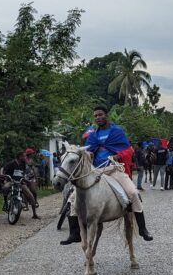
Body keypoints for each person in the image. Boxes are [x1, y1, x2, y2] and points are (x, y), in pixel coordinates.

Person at [61, 105, 153, 245]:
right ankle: (74, 233)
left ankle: (143, 229)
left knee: (133, 193)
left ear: (106, 115)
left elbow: (129, 150)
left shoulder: (117, 131)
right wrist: (89, 155)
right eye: (96, 116)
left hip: (114, 169)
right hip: (97, 171)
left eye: (100, 115)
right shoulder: (93, 136)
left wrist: (119, 155)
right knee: (72, 198)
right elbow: (87, 154)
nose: (98, 117)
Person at [2, 152, 40, 219]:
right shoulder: (12, 163)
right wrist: (4, 177)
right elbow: (3, 170)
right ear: (20, 157)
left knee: (31, 197)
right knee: (5, 187)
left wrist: (27, 180)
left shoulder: (23, 164)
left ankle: (34, 214)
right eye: (24, 156)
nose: (25, 157)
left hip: (20, 182)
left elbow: (23, 174)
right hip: (11, 181)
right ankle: (5, 203)